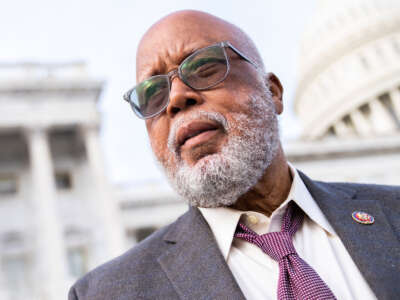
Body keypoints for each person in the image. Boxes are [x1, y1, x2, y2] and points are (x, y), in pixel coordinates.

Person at [69, 10, 399, 300]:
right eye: (152, 93)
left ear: (272, 93)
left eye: (204, 67)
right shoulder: (107, 294)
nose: (177, 98)